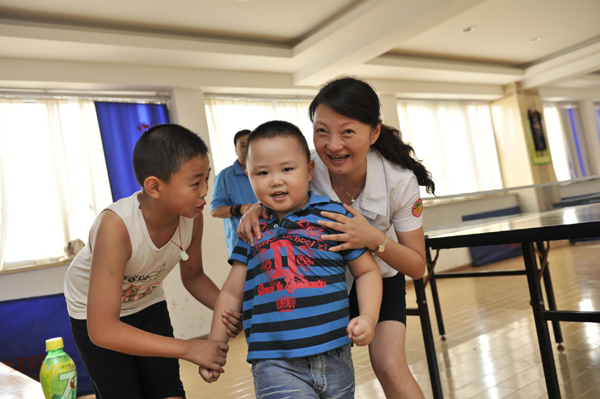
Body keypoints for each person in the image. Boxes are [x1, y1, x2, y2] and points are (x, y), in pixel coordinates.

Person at [239, 77, 435, 399]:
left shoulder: (399, 182)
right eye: (321, 131)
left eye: (347, 131)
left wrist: (373, 238)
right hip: (314, 281)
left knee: (389, 364)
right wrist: (255, 209)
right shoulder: (304, 169)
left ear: (374, 132)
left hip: (377, 277)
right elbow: (272, 184)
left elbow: (416, 267)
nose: (333, 144)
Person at [201, 120, 383, 399]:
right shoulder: (251, 229)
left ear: (309, 170)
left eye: (287, 169)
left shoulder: (333, 217)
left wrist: (369, 317)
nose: (276, 180)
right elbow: (230, 292)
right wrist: (215, 345)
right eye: (262, 172)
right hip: (274, 361)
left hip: (335, 353)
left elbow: (367, 272)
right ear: (248, 176)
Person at [64, 124, 241, 398]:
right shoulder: (117, 227)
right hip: (94, 314)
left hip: (147, 302)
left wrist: (230, 311)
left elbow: (193, 276)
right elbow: (102, 329)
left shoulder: (193, 218)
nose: (205, 190)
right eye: (195, 183)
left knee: (168, 390)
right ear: (155, 186)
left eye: (206, 178)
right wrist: (189, 348)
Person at [210, 129, 258, 255]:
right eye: (242, 145)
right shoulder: (224, 176)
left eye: (250, 143)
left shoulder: (265, 171)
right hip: (240, 244)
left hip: (268, 240)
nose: (247, 148)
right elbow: (215, 211)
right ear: (235, 149)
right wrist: (239, 209)